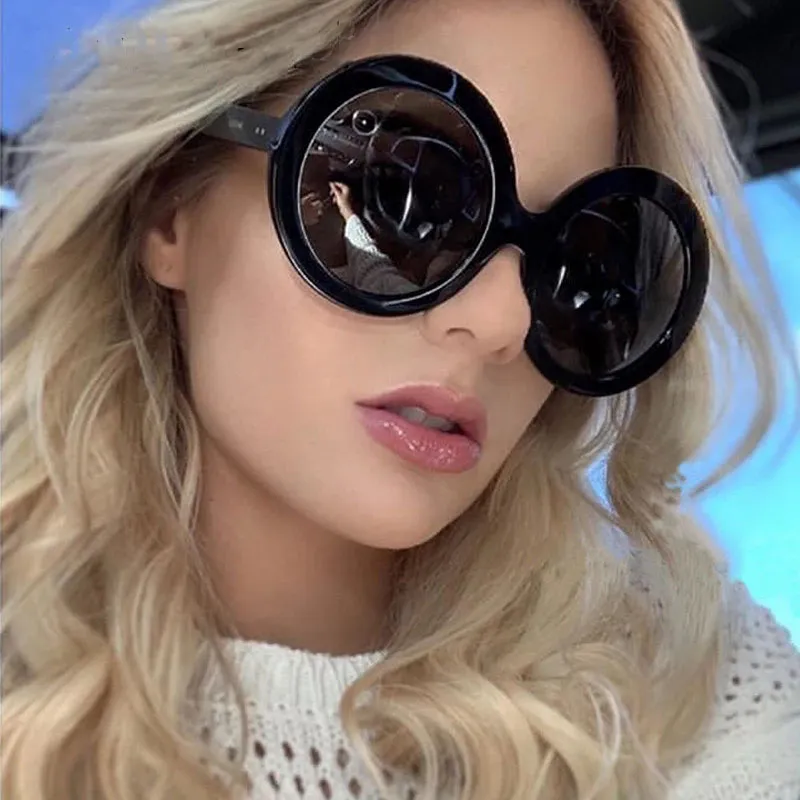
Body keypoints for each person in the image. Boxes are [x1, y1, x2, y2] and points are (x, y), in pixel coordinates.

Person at [1, 1, 798, 800]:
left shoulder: (687, 692)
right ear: (170, 209)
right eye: (402, 199)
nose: (504, 321)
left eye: (580, 267)